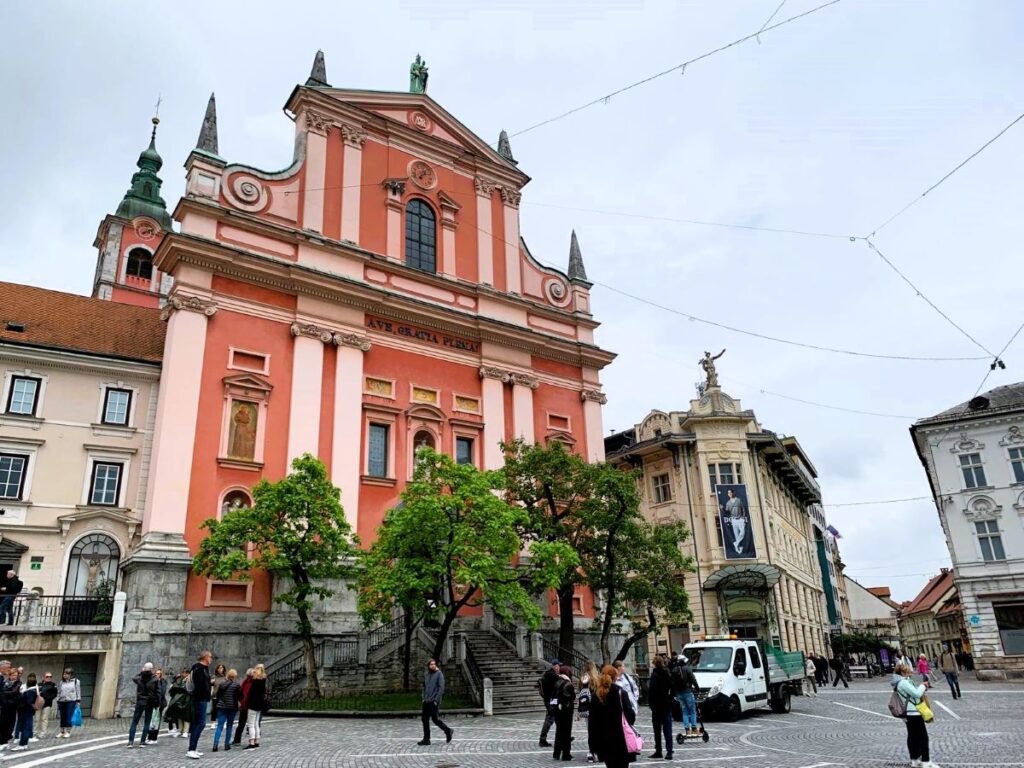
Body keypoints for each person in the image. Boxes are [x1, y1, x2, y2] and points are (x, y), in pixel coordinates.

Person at [589, 664, 638, 768]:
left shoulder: (596, 695)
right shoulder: (620, 692)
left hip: (604, 740)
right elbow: (630, 715)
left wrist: (592, 744)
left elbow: (592, 722)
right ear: (615, 677)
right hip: (621, 739)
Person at [893, 661, 937, 768]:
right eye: (907, 672)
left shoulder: (901, 682)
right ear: (902, 673)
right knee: (923, 737)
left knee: (913, 736)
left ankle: (915, 759)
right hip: (914, 712)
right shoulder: (903, 683)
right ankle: (926, 761)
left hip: (909, 713)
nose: (909, 673)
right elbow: (916, 694)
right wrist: (923, 685)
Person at [418, 659, 452, 746]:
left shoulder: (439, 674)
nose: (433, 666)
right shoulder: (427, 674)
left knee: (435, 719)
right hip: (426, 701)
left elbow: (441, 688)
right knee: (424, 719)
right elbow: (424, 687)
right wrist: (423, 697)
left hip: (433, 701)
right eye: (431, 664)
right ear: (428, 666)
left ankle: (448, 731)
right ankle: (426, 739)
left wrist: (436, 700)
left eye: (434, 664)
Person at [186, 650, 213, 759]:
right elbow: (199, 685)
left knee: (198, 723)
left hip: (202, 698)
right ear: (205, 657)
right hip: (199, 699)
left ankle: (193, 748)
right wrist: (207, 688)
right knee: (200, 723)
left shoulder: (203, 669)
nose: (211, 659)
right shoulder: (199, 669)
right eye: (210, 657)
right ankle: (191, 749)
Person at [127, 662, 159, 748]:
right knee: (147, 722)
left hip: (140, 701)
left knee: (135, 722)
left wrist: (142, 671)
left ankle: (130, 742)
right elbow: (158, 692)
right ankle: (142, 742)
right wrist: (157, 703)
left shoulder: (140, 678)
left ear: (144, 668)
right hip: (149, 702)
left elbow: (134, 678)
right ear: (152, 669)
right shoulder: (155, 679)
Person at [646, 655, 673, 759]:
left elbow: (652, 691)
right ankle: (669, 751)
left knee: (657, 731)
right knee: (667, 731)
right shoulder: (667, 673)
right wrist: (670, 698)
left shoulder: (655, 675)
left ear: (654, 663)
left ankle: (658, 751)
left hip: (657, 706)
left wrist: (651, 704)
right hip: (666, 704)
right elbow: (673, 687)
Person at [9, 672, 40, 752]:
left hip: (25, 712)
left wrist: (20, 702)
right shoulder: (33, 690)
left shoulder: (29, 692)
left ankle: (22, 744)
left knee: (24, 729)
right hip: (28, 712)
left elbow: (28, 703)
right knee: (26, 728)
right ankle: (25, 744)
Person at [671, 653, 699, 739]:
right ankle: (694, 729)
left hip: (679, 694)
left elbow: (672, 682)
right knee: (692, 711)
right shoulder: (687, 669)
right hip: (688, 692)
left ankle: (687, 729)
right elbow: (693, 679)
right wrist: (697, 688)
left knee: (685, 711)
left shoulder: (675, 670)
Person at [212, 669, 240, 752]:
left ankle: (215, 745)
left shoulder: (222, 684)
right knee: (229, 726)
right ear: (235, 676)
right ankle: (226, 745)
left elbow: (218, 695)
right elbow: (240, 696)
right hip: (232, 707)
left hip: (222, 706)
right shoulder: (236, 685)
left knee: (219, 726)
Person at [552, 664, 575, 761]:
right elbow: (572, 697)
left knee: (559, 731)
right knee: (566, 732)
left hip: (557, 711)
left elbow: (553, 697)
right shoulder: (568, 684)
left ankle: (556, 753)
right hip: (567, 711)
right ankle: (566, 754)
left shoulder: (556, 682)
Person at [243, 664, 269, 750]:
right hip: (260, 704)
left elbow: (250, 694)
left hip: (253, 704)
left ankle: (252, 742)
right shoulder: (263, 680)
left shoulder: (254, 681)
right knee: (256, 723)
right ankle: (257, 741)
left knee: (251, 724)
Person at [578, 660, 599, 764]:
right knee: (597, 730)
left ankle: (592, 751)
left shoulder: (583, 677)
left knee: (590, 730)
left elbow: (580, 690)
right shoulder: (595, 678)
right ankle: (596, 752)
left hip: (586, 707)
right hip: (595, 706)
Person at [538, 658, 561, 747]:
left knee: (558, 719)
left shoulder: (547, 674)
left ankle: (565, 737)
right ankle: (542, 739)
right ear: (555, 666)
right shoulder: (553, 676)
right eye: (558, 665)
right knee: (549, 719)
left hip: (549, 700)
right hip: (551, 701)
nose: (559, 667)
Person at [165, 668, 191, 738]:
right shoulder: (180, 679)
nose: (182, 674)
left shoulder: (190, 680)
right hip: (179, 699)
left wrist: (180, 688)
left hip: (187, 699)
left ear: (187, 673)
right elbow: (175, 686)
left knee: (186, 716)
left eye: (183, 673)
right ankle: (180, 730)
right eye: (182, 672)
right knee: (179, 716)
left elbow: (188, 689)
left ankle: (185, 731)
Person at [0, 668, 22, 750]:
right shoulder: (5, 682)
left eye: (16, 675)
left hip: (12, 706)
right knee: (2, 724)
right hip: (4, 706)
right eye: (13, 675)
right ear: (10, 675)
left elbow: (14, 692)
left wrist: (3, 692)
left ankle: (5, 740)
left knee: (10, 724)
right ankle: (3, 741)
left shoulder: (18, 683)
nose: (14, 677)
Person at [55, 668, 80, 739]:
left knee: (69, 717)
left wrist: (78, 701)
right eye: (64, 674)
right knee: (62, 717)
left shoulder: (76, 681)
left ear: (70, 674)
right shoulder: (61, 682)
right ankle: (62, 731)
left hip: (71, 701)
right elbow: (59, 691)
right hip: (62, 701)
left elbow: (78, 691)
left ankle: (68, 731)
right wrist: (58, 699)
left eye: (66, 674)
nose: (64, 675)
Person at [232, 668, 253, 746]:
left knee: (242, 724)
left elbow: (242, 692)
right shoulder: (249, 682)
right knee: (250, 724)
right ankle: (252, 740)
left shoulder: (246, 682)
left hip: (245, 705)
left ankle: (237, 740)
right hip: (248, 705)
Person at [36, 672, 56, 740]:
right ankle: (35, 732)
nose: (49, 678)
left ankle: (43, 733)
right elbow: (36, 693)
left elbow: (54, 694)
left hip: (47, 704)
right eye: (47, 676)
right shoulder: (39, 684)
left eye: (50, 676)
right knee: (37, 719)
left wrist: (48, 698)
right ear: (44, 677)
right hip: (38, 704)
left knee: (44, 719)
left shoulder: (53, 685)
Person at [150, 668, 168, 742]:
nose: (157, 675)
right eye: (156, 673)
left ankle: (154, 738)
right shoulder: (153, 681)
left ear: (161, 675)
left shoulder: (162, 682)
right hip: (153, 703)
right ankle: (150, 737)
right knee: (151, 720)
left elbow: (162, 693)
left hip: (159, 703)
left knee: (156, 721)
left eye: (158, 673)